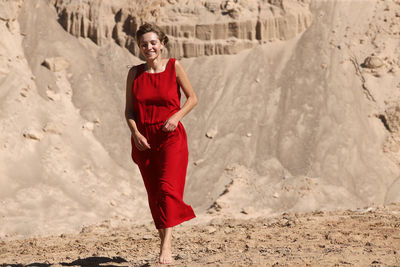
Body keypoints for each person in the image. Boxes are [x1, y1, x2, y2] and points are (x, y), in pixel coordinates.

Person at [124, 23, 198, 264]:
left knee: (167, 190)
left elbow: (192, 98)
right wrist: (135, 133)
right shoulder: (134, 73)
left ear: (162, 44)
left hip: (171, 137)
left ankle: (166, 247)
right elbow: (129, 111)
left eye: (153, 43)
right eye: (144, 44)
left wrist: (176, 117)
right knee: (155, 195)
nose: (149, 47)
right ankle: (163, 240)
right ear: (139, 47)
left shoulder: (174, 66)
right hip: (144, 140)